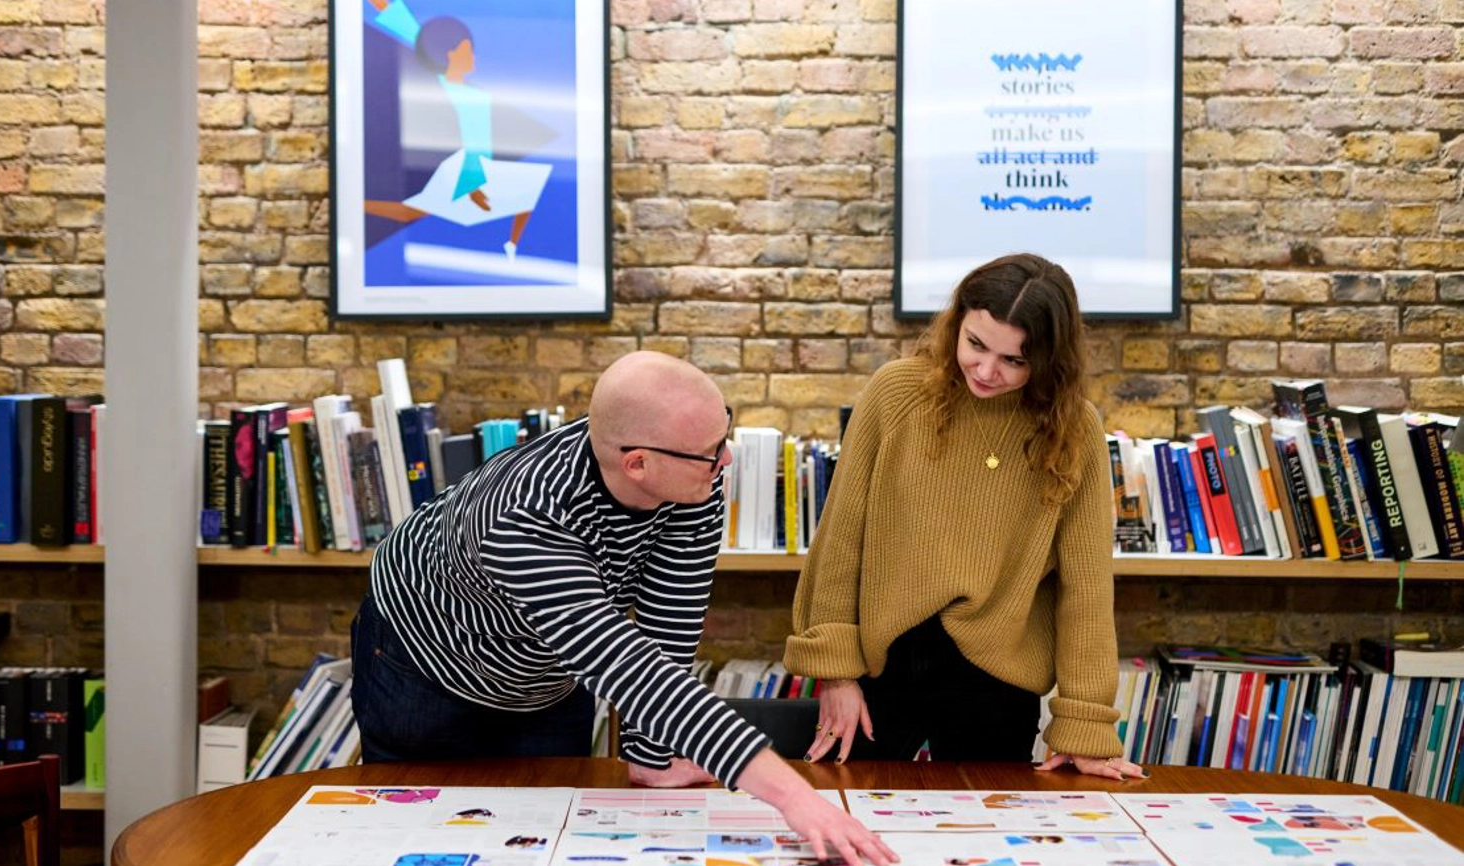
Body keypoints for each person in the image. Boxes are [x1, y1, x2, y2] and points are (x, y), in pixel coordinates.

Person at [352, 351, 897, 866]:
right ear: (636, 462)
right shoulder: (520, 515)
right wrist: (796, 799)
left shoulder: (693, 480)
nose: (725, 459)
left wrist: (649, 755)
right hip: (423, 665)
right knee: (415, 837)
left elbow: (671, 617)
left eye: (723, 434)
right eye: (712, 450)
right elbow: (626, 666)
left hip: (549, 675)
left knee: (545, 837)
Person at [783, 253, 1146, 780]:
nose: (986, 370)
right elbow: (842, 541)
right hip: (883, 666)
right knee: (853, 830)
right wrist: (835, 675)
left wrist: (1086, 727)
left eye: (1015, 360)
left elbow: (1085, 588)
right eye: (976, 344)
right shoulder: (895, 394)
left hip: (998, 680)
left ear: (1049, 361)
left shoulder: (1075, 430)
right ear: (958, 321)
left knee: (988, 842)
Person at [364, 15, 550, 262]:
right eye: (469, 51)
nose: (475, 58)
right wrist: (473, 183)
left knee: (529, 188)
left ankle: (512, 244)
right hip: (458, 171)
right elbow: (411, 31)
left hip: (478, 173)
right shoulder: (438, 85)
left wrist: (480, 181)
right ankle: (358, 205)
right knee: (411, 213)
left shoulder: (479, 97)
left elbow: (480, 146)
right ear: (451, 54)